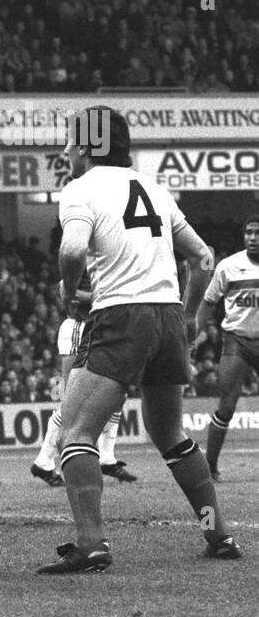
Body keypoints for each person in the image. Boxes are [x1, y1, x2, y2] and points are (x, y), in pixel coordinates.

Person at [38, 107, 239, 574]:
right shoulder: (153, 187)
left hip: (122, 316)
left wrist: (70, 294)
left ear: (88, 147)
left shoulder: (80, 190)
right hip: (168, 317)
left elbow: (70, 249)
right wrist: (188, 317)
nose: (67, 150)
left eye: (72, 142)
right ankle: (218, 532)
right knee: (170, 434)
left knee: (75, 432)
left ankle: (91, 544)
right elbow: (203, 257)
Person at [32, 272, 135, 487]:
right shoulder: (81, 262)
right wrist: (102, 294)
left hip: (101, 326)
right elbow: (64, 288)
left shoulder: (101, 260)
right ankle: (43, 462)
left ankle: (107, 458)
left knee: (118, 395)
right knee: (70, 398)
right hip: (80, 325)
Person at [196, 214, 259, 482]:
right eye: (249, 233)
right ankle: (210, 466)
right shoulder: (228, 266)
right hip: (237, 341)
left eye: (257, 233)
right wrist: (196, 333)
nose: (253, 238)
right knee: (227, 405)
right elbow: (209, 301)